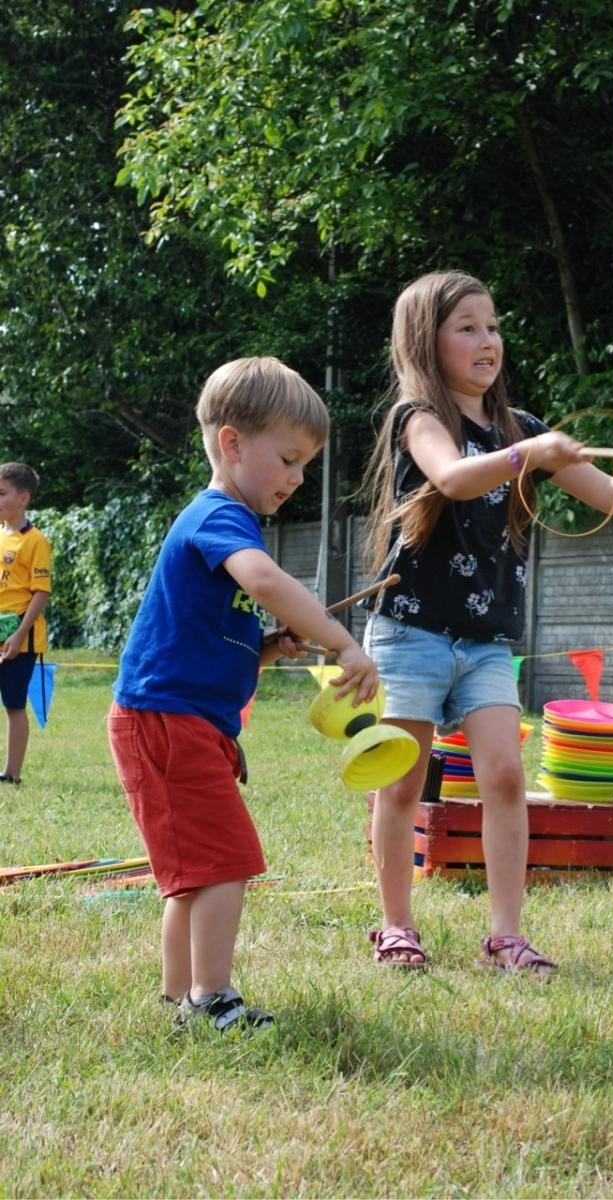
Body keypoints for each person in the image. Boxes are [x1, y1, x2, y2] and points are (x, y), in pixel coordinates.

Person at [361, 270, 613, 975]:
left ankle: (505, 936)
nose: (487, 340)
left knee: (504, 776)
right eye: (466, 327)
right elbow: (452, 478)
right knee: (403, 782)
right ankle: (396, 926)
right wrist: (526, 456)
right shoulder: (419, 419)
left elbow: (610, 492)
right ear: (425, 341)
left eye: (492, 326)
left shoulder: (520, 430)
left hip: (486, 642)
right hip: (411, 630)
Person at [108, 356, 378, 1032]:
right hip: (168, 721)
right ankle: (212, 999)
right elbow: (263, 582)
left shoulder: (226, 522)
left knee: (192, 874)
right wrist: (342, 643)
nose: (298, 477)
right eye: (288, 459)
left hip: (171, 718)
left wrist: (269, 646)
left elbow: (212, 640)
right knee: (224, 861)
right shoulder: (219, 516)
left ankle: (180, 1001)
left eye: (305, 464)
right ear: (231, 443)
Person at [0, 463, 52, 786]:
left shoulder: (35, 542)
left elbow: (40, 593)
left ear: (23, 499)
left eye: (1, 493)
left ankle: (12, 774)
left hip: (20, 638)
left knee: (14, 702)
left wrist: (19, 635)